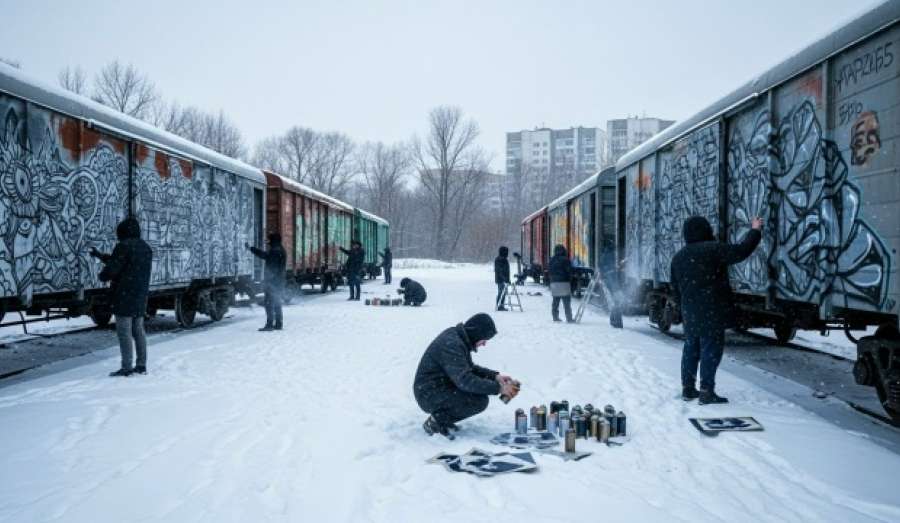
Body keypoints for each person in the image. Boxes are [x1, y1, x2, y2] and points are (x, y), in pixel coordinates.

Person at [671, 215, 763, 404]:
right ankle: (706, 391)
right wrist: (755, 230)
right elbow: (741, 251)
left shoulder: (679, 257)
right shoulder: (712, 249)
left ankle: (688, 388)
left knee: (691, 349)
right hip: (711, 310)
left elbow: (675, 288)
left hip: (690, 310)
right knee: (710, 350)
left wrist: (683, 308)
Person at [413, 313, 520, 439]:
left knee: (477, 398)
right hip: (428, 393)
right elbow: (465, 380)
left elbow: (469, 368)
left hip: (438, 387)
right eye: (484, 339)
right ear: (477, 333)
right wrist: (499, 388)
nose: (484, 343)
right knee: (478, 401)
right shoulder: (452, 344)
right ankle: (435, 422)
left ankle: (443, 419)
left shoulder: (458, 339)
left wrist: (494, 377)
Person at [90, 217, 153, 377]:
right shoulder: (145, 248)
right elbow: (123, 261)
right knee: (138, 331)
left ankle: (126, 368)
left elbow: (114, 267)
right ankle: (141, 365)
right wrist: (100, 256)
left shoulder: (123, 246)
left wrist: (103, 275)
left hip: (124, 296)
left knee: (124, 332)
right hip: (140, 295)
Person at [246, 233, 287, 331]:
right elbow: (266, 256)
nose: (268, 242)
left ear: (273, 240)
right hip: (280, 280)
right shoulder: (280, 250)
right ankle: (278, 323)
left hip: (273, 282)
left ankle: (269, 324)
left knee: (268, 303)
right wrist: (252, 249)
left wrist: (267, 280)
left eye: (269, 240)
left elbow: (272, 267)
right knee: (277, 301)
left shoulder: (274, 251)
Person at [548, 244, 574, 323]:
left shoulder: (552, 259)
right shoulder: (565, 259)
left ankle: (555, 317)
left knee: (555, 301)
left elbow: (549, 270)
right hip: (564, 283)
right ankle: (569, 318)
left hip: (554, 283)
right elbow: (570, 271)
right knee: (566, 302)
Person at [494, 246, 511, 311]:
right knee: (501, 292)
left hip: (500, 279)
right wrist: (505, 279)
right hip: (501, 279)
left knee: (502, 292)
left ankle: (500, 305)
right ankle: (500, 306)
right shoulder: (501, 260)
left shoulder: (500, 259)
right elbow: (500, 271)